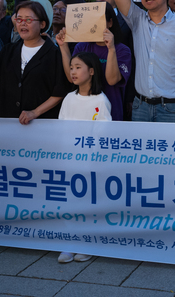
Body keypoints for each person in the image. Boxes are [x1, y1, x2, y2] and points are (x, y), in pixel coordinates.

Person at [0, 0, 69, 124]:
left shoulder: (54, 53)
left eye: (28, 20)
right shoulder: (9, 50)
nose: (22, 24)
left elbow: (60, 92)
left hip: (42, 125)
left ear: (42, 24)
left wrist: (35, 112)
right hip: (8, 123)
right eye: (19, 19)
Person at [57, 52, 110, 263]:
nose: (73, 71)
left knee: (88, 203)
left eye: (78, 67)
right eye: (71, 67)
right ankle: (70, 243)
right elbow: (60, 128)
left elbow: (103, 134)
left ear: (91, 71)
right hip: (68, 161)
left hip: (90, 163)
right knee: (69, 203)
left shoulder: (101, 100)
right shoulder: (69, 98)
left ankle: (87, 242)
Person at [55, 3, 131, 121]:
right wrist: (63, 46)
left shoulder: (122, 50)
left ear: (110, 22)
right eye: (90, 20)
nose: (93, 24)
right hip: (82, 112)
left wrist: (111, 49)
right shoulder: (81, 47)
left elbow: (112, 80)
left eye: (98, 20)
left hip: (111, 112)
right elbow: (71, 78)